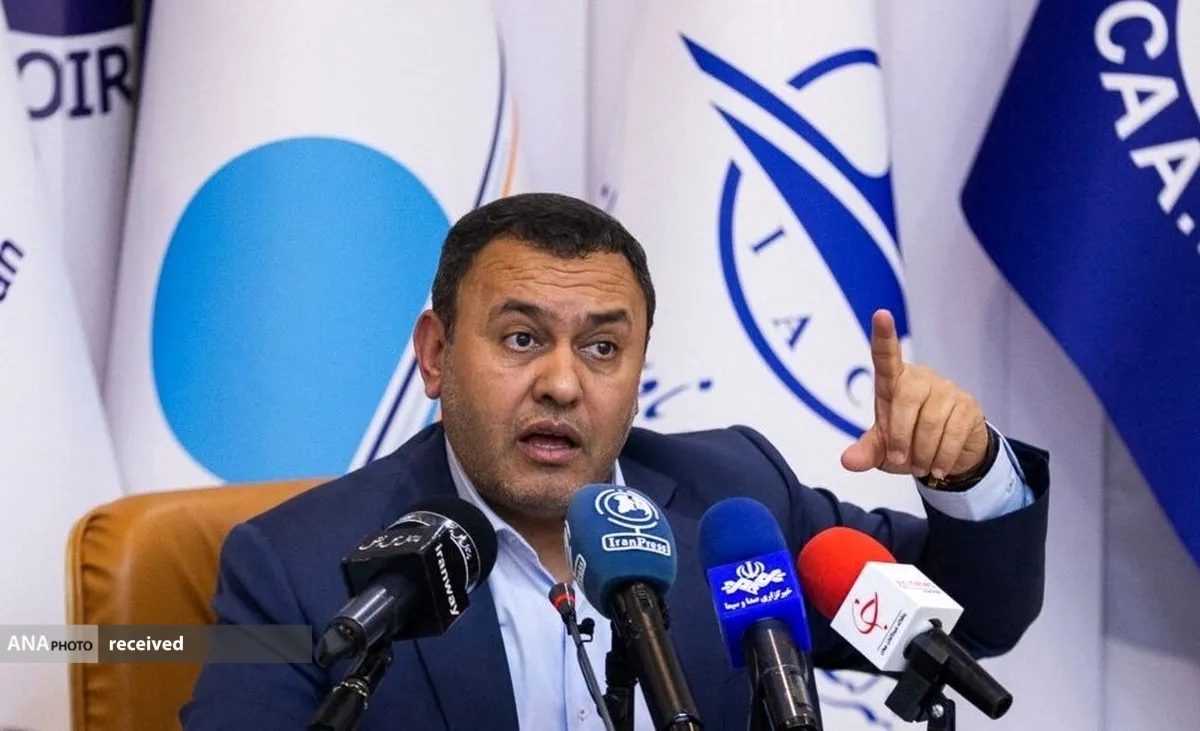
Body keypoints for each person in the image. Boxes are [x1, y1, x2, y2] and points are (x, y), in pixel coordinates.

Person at [181, 192, 1049, 730]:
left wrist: (968, 469)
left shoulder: (736, 504)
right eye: (521, 338)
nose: (562, 383)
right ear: (436, 354)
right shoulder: (293, 566)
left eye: (602, 348)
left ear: (638, 369)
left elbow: (972, 626)